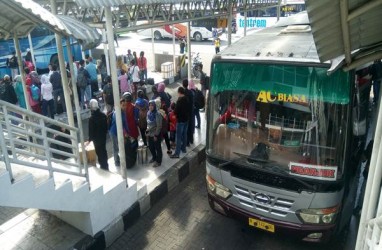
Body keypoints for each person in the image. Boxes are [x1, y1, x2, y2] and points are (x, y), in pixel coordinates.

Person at [87, 99, 109, 170]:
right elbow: (106, 127)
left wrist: (89, 140)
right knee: (104, 151)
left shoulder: (92, 118)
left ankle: (103, 166)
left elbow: (91, 132)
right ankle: (105, 165)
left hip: (96, 140)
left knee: (99, 153)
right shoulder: (103, 115)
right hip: (103, 138)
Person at [354, 140, 374, 216]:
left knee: (364, 192)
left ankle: (360, 208)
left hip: (369, 174)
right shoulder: (373, 142)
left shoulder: (374, 142)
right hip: (370, 174)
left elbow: (364, 158)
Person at [170, 86, 190, 158]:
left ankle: (177, 153)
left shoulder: (180, 100)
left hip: (180, 120)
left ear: (179, 92)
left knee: (178, 137)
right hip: (186, 120)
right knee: (184, 135)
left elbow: (176, 111)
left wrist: (174, 112)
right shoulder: (187, 99)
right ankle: (183, 149)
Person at [109, 98, 129, 167]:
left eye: (125, 105)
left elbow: (125, 123)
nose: (124, 107)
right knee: (115, 147)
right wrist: (125, 132)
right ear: (119, 105)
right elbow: (119, 123)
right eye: (123, 105)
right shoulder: (116, 113)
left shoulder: (123, 112)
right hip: (114, 132)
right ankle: (116, 161)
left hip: (119, 132)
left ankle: (120, 158)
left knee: (120, 146)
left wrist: (128, 132)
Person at [123, 92, 139, 168]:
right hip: (133, 128)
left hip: (126, 130)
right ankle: (135, 157)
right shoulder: (134, 106)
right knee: (135, 142)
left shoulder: (123, 107)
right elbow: (136, 118)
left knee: (127, 146)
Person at [146, 100, 163, 167]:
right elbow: (147, 123)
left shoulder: (157, 114)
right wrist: (147, 130)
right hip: (150, 133)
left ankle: (159, 161)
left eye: (152, 105)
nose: (150, 107)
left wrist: (156, 135)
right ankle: (154, 157)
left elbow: (159, 126)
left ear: (154, 106)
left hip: (156, 134)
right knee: (151, 147)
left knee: (157, 148)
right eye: (149, 105)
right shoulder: (148, 113)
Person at [182, 79, 195, 145]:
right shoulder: (191, 92)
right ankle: (191, 140)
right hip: (191, 112)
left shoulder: (183, 93)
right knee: (190, 126)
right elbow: (192, 103)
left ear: (182, 84)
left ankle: (187, 142)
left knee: (185, 128)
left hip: (185, 113)